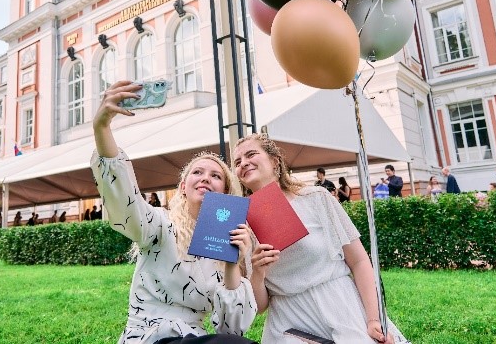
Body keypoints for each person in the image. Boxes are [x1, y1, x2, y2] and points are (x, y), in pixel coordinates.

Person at [92, 80, 257, 344]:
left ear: (225, 192)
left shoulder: (230, 241)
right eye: (197, 172)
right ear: (183, 187)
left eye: (216, 176)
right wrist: (102, 128)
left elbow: (231, 329)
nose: (205, 178)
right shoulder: (160, 223)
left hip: (193, 337)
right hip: (149, 336)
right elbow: (126, 202)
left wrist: (231, 264)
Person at [232, 133, 407, 343]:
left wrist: (373, 318)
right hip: (289, 321)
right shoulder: (241, 225)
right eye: (237, 162)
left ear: (275, 161)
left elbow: (359, 261)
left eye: (251, 154)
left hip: (340, 305)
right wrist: (258, 273)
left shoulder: (316, 198)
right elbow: (260, 307)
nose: (244, 163)